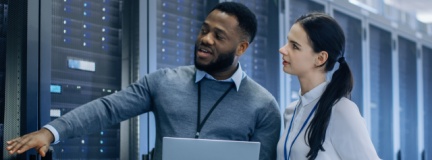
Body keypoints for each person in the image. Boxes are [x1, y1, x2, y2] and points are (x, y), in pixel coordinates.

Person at [6, 2, 281, 160]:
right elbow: (107, 109)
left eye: (218, 36)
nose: (205, 39)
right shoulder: (164, 82)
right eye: (204, 30)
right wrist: (51, 131)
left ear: (241, 48)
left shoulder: (264, 106)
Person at [276, 12, 380, 160]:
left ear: (320, 58)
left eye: (295, 46)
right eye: (288, 42)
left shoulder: (341, 110)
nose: (283, 50)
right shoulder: (291, 111)